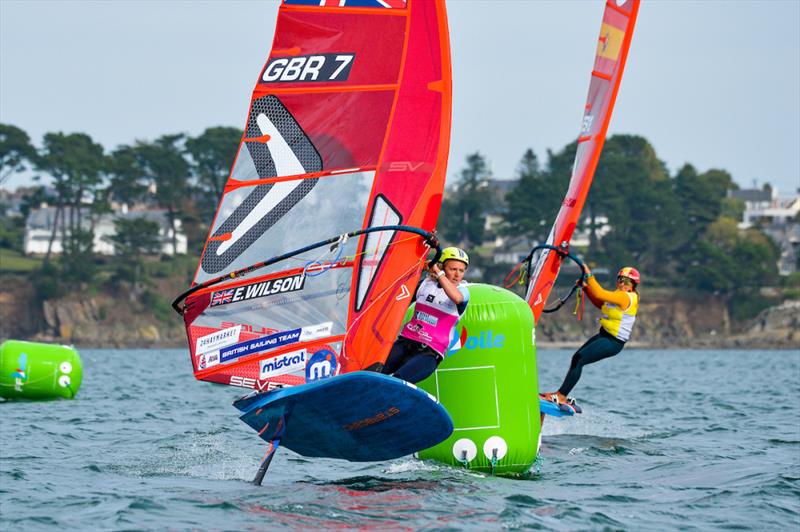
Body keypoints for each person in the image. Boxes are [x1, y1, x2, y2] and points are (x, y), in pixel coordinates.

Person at [540, 265, 640, 410]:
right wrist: (586, 288)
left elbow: (600, 293)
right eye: (620, 279)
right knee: (576, 358)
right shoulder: (618, 294)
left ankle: (561, 395)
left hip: (613, 342)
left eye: (626, 281)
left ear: (633, 285)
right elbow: (600, 303)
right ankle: (562, 394)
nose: (622, 283)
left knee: (579, 359)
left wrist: (588, 274)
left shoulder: (626, 297)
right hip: (604, 335)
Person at [381, 247, 470, 384]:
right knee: (374, 373)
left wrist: (439, 273)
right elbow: (396, 299)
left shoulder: (463, 291)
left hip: (429, 354)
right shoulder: (426, 284)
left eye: (461, 270)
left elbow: (457, 298)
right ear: (442, 266)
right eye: (453, 269)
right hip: (405, 343)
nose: (457, 275)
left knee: (397, 382)